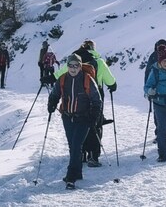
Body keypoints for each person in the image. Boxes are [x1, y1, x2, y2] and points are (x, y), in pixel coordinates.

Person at [47, 53, 102, 190]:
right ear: (67, 66)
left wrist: (93, 117)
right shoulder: (62, 79)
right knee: (73, 146)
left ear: (80, 66)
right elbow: (55, 94)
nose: (73, 68)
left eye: (76, 66)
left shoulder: (87, 79)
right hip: (67, 117)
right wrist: (52, 104)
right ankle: (77, 173)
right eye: (70, 66)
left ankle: (70, 177)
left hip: (83, 118)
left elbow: (97, 100)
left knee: (77, 145)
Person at [80, 40, 117, 168]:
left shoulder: (76, 60)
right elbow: (111, 81)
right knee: (96, 124)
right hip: (96, 96)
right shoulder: (100, 62)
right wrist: (113, 86)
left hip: (80, 97)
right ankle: (93, 156)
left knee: (81, 123)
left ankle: (81, 153)